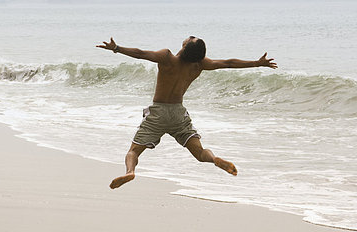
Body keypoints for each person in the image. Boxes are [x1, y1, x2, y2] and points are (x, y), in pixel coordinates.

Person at [96, 36, 277, 189]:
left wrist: (117, 48)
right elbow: (228, 63)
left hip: (158, 112)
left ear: (184, 47)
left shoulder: (167, 57)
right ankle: (214, 160)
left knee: (133, 152)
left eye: (192, 38)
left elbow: (141, 54)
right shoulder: (199, 65)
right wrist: (257, 63)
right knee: (200, 153)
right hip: (178, 114)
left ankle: (130, 172)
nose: (190, 36)